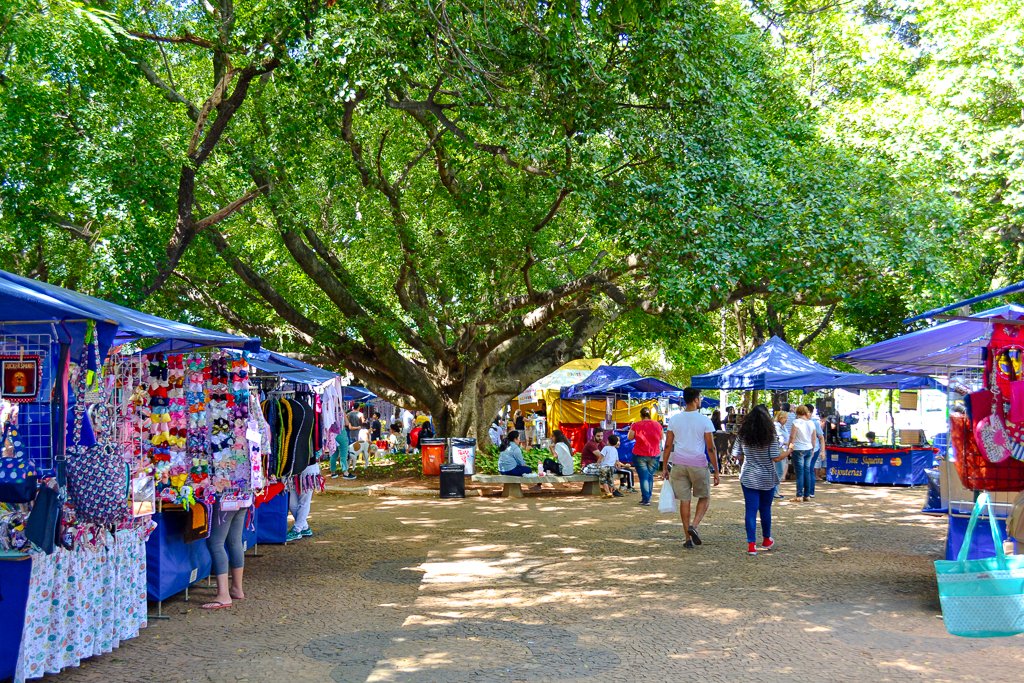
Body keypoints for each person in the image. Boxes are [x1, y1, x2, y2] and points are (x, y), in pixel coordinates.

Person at [662, 387, 720, 549]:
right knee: (705, 496)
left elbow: (668, 445)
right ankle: (694, 525)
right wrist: (716, 469)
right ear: (696, 400)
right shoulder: (704, 421)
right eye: (700, 398)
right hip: (698, 464)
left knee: (684, 500)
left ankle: (687, 538)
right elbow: (711, 448)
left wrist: (665, 467)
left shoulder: (675, 419)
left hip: (679, 464)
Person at [733, 405, 788, 555]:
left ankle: (751, 545)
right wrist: (788, 451)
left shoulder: (743, 435)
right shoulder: (770, 436)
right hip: (767, 477)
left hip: (748, 476)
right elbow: (775, 457)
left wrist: (747, 457)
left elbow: (736, 454)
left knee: (750, 510)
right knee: (765, 509)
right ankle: (766, 539)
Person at [628, 406, 664, 506]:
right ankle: (648, 496)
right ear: (649, 415)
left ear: (641, 415)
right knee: (649, 476)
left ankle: (646, 499)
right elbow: (661, 437)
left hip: (640, 453)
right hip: (654, 453)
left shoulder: (636, 425)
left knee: (643, 477)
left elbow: (630, 437)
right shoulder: (657, 424)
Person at [786, 405, 819, 502]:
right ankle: (807, 495)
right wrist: (813, 449)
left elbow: (792, 436)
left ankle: (799, 495)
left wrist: (790, 448)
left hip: (798, 449)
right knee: (807, 471)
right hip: (808, 448)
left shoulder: (796, 422)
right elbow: (814, 438)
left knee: (799, 473)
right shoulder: (811, 423)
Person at [804, 404, 824, 497]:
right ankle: (807, 491)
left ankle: (810, 491)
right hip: (803, 449)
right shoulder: (800, 422)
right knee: (806, 469)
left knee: (809, 469)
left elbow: (821, 437)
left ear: (811, 413)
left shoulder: (815, 422)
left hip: (814, 449)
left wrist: (822, 451)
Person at [772, 410, 789, 499]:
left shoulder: (783, 427)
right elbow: (780, 439)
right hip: (779, 449)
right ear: (780, 418)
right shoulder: (776, 426)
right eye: (785, 418)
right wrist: (786, 443)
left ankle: (776, 490)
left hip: (784, 450)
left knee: (780, 471)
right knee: (778, 471)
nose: (786, 420)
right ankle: (775, 491)